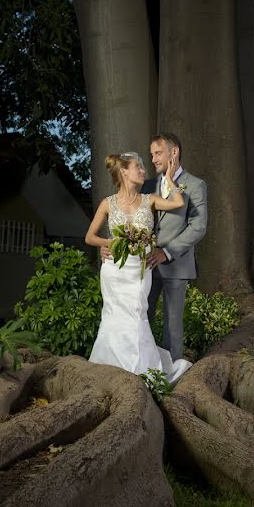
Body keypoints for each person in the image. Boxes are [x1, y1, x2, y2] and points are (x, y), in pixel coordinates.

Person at [85, 151, 192, 382]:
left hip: (140, 269)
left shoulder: (149, 200)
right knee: (113, 316)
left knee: (136, 314)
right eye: (138, 167)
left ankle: (141, 371)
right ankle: (109, 370)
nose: (143, 171)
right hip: (114, 269)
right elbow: (90, 237)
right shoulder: (108, 203)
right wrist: (109, 243)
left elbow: (178, 201)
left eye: (144, 167)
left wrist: (171, 178)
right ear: (124, 171)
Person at [144, 133, 208, 361]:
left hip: (176, 263)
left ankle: (172, 376)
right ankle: (145, 366)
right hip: (146, 264)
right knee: (143, 318)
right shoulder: (149, 185)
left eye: (158, 153)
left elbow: (198, 227)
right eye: (152, 154)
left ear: (174, 152)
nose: (153, 159)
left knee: (172, 325)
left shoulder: (195, 185)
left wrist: (167, 252)